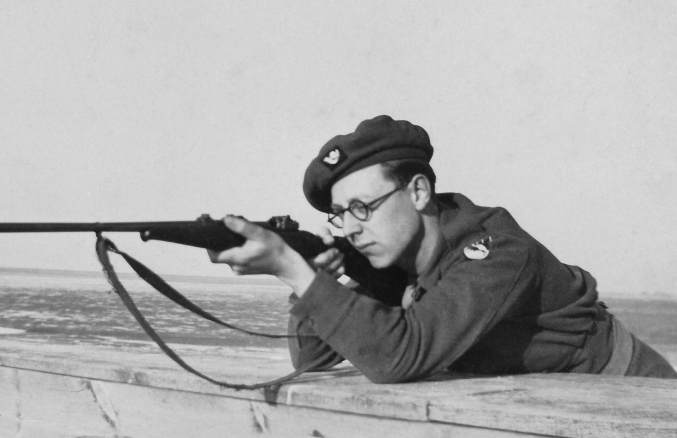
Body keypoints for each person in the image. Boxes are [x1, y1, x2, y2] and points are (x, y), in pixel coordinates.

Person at [208, 115, 677, 383]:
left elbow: (399, 356)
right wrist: (316, 280)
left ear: (417, 192)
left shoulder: (498, 253)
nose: (349, 227)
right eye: (339, 213)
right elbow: (312, 359)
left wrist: (292, 269)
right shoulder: (396, 264)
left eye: (362, 207)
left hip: (635, 401)